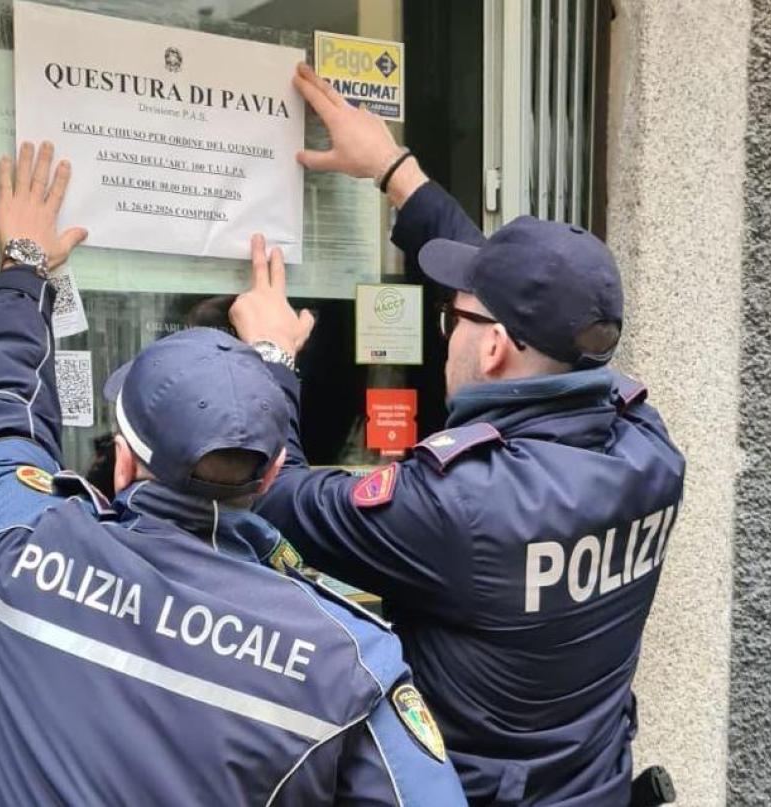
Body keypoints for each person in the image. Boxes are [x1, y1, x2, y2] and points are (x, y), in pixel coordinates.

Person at [0, 140, 468, 806]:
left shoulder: (16, 544)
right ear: (273, 474)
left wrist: (23, 268)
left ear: (123, 459)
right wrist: (269, 368)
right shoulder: (346, 657)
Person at [229, 63, 686, 806]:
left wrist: (272, 356)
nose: (446, 332)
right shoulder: (648, 445)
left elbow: (270, 491)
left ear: (496, 345)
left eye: (452, 317)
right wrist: (393, 170)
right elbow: (528, 300)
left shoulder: (458, 506)